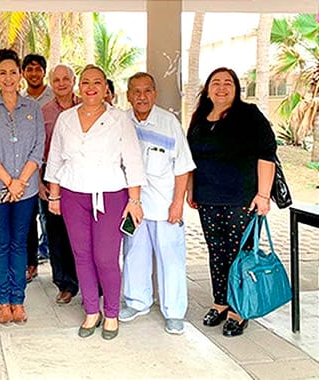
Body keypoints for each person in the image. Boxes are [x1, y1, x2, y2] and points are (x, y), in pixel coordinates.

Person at [44, 64, 145, 340]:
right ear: (79, 86)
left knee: (105, 257)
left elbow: (133, 160)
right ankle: (91, 310)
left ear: (105, 88)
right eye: (86, 82)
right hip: (73, 194)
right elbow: (55, 158)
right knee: (82, 255)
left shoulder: (119, 118)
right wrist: (54, 194)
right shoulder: (66, 118)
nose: (91, 87)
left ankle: (111, 313)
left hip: (110, 195)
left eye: (97, 82)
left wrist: (134, 200)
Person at [187, 67, 276, 337]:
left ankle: (239, 310)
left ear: (236, 88)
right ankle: (220, 302)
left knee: (241, 254)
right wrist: (192, 191)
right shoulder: (201, 117)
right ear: (207, 88)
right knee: (217, 252)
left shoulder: (249, 115)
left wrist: (263, 195)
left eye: (228, 83)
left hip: (242, 200)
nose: (222, 87)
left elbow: (267, 154)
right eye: (216, 82)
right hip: (208, 199)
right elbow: (191, 159)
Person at [120, 72, 196, 335]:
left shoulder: (168, 122)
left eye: (147, 91)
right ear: (128, 95)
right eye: (136, 92)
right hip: (133, 205)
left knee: (171, 259)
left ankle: (174, 312)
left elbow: (183, 167)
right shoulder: (121, 121)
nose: (141, 97)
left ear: (155, 94)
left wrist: (178, 204)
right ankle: (136, 302)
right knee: (134, 254)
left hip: (165, 207)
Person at [0, 49, 45, 325]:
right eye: (2, 73)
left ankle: (18, 299)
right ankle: (2, 299)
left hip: (26, 189)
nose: (8, 77)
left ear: (20, 76)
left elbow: (38, 149)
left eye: (13, 72)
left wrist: (20, 183)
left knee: (19, 245)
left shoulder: (34, 109)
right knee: (1, 243)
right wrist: (9, 183)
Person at [40, 63, 81, 304]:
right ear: (51, 83)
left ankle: (86, 279)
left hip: (81, 178)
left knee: (82, 233)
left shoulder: (87, 106)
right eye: (57, 80)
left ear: (73, 81)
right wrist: (40, 182)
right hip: (52, 177)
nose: (62, 83)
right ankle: (65, 283)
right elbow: (36, 151)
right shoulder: (43, 111)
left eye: (66, 79)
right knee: (56, 233)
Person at [21, 53, 54, 282]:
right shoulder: (20, 100)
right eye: (29, 69)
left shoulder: (54, 96)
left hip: (54, 170)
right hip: (28, 170)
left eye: (37, 69)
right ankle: (31, 264)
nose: (34, 73)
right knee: (28, 219)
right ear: (23, 73)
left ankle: (60, 268)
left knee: (52, 220)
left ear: (43, 72)